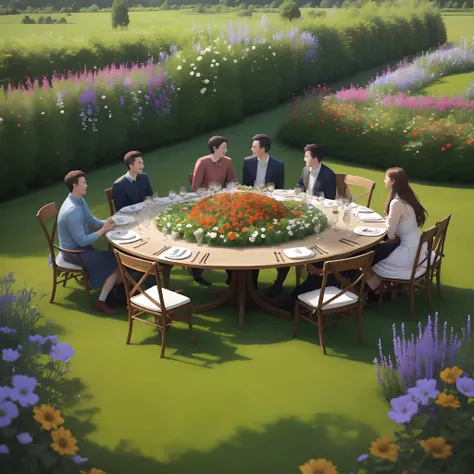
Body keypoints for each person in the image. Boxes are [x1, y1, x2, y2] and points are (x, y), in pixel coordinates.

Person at [265, 144, 337, 297]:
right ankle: (279, 281)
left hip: (319, 215)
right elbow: (299, 185)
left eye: (306, 156)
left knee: (295, 237)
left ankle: (310, 271)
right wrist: (299, 193)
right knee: (288, 233)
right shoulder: (305, 170)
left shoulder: (329, 175)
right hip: (303, 210)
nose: (304, 159)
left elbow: (329, 201)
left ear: (315, 159)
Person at [58, 170, 122, 315]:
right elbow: (81, 241)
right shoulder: (72, 210)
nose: (87, 185)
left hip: (83, 247)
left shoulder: (79, 200)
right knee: (116, 262)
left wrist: (110, 222)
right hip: (75, 252)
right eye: (84, 182)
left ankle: (112, 292)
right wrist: (103, 230)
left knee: (114, 258)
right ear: (75, 186)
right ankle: (101, 301)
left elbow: (92, 221)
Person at [365, 167, 428, 292]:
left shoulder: (396, 202)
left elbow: (390, 233)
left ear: (393, 181)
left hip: (408, 254)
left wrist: (390, 239)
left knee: (371, 254)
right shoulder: (407, 196)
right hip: (418, 247)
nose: (384, 180)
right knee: (379, 250)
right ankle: (380, 287)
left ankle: (370, 288)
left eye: (386, 178)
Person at [190, 136, 238, 286]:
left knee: (228, 233)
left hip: (223, 203)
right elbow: (195, 187)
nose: (226, 150)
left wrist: (231, 189)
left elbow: (233, 180)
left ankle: (230, 273)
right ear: (215, 149)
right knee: (204, 236)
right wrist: (210, 196)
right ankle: (197, 271)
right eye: (223, 147)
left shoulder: (227, 161)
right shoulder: (202, 162)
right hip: (205, 205)